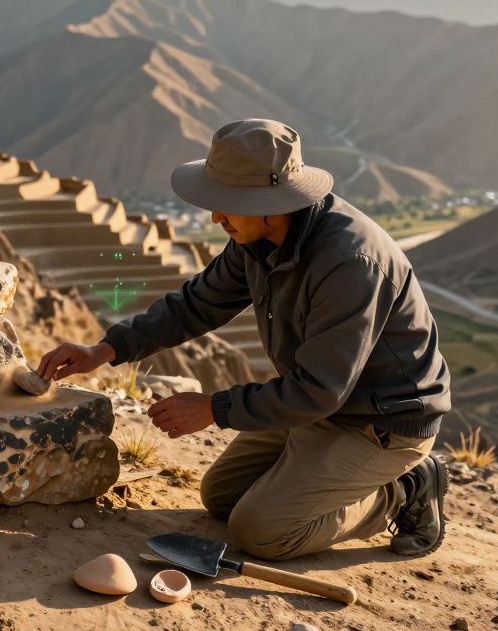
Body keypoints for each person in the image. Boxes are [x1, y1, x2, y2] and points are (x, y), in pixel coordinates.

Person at [35, 119, 452, 560]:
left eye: (227, 205)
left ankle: (406, 490)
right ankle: (315, 471)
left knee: (262, 533)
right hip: (316, 405)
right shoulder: (259, 237)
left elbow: (320, 389)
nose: (215, 217)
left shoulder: (350, 264)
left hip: (379, 423)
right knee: (222, 497)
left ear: (271, 203)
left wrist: (214, 409)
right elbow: (195, 305)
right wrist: (105, 349)